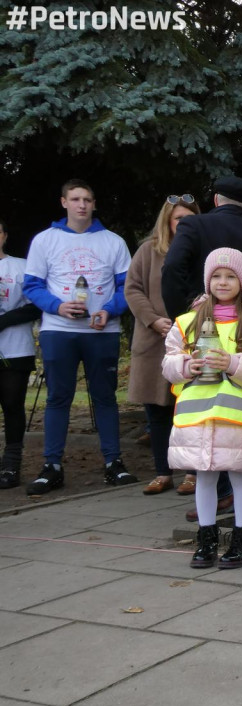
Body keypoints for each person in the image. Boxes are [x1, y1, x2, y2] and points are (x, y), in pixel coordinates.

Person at [22, 179, 138, 495]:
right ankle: (52, 465)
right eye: (75, 199)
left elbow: (127, 288)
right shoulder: (45, 240)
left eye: (87, 199)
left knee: (105, 397)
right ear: (64, 203)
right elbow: (31, 286)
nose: (82, 205)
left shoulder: (112, 241)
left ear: (94, 203)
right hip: (58, 331)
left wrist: (110, 311)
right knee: (59, 397)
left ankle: (114, 462)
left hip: (102, 331)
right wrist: (58, 306)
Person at [162, 248, 242, 569]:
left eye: (230, 276)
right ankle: (206, 538)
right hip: (196, 417)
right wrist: (187, 364)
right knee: (205, 479)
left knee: (240, 479)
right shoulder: (186, 322)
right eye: (216, 276)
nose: (222, 282)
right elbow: (168, 364)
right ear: (207, 280)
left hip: (237, 418)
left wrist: (234, 363)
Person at [125, 194, 201, 495]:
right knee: (157, 412)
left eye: (190, 218)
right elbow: (132, 289)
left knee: (191, 410)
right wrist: (153, 320)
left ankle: (192, 473)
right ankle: (162, 472)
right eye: (178, 218)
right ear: (167, 222)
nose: (184, 224)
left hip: (191, 340)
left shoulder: (201, 251)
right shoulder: (148, 251)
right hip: (154, 340)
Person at [162, 175, 242, 320]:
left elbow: (172, 267)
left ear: (216, 200)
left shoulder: (192, 225)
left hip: (200, 325)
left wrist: (181, 318)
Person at [0, 218, 43, 489]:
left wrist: (4, 321)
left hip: (16, 350)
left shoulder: (21, 267)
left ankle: (11, 465)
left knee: (12, 406)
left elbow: (35, 305)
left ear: (4, 236)